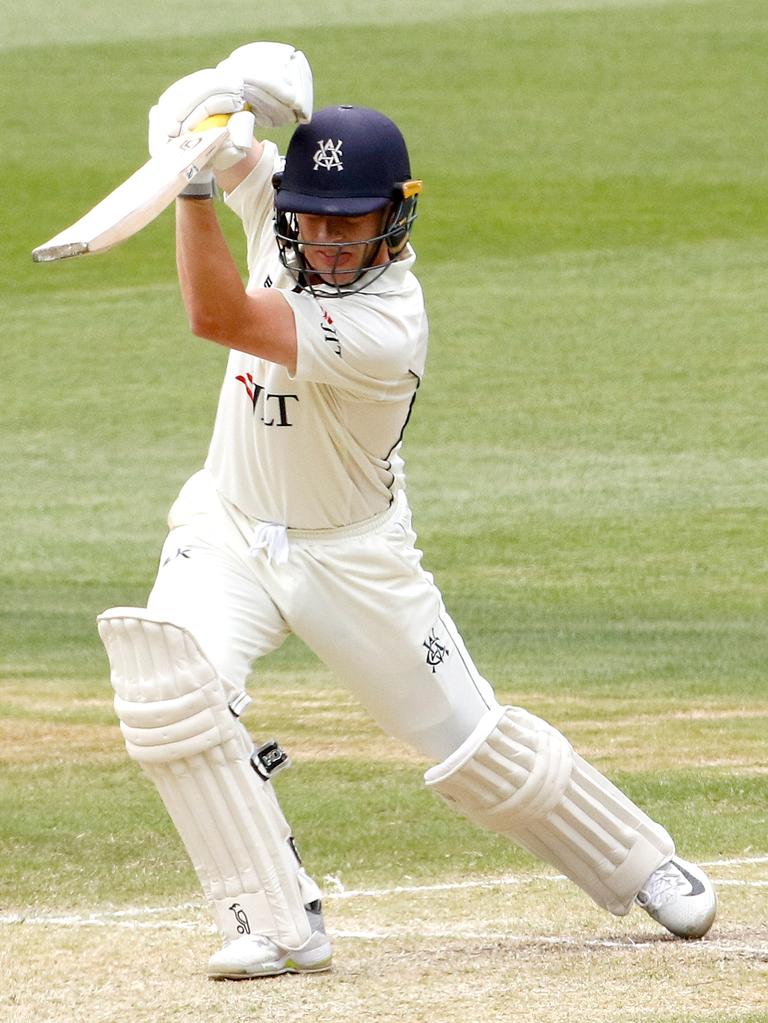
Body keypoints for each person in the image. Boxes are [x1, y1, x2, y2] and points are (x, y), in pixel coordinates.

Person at [97, 42, 717, 981]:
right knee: (168, 693)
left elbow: (217, 315)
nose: (330, 243)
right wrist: (210, 109)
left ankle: (640, 861)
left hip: (353, 555)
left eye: (354, 226)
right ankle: (276, 918)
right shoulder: (281, 206)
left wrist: (188, 189)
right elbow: (198, 129)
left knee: (474, 751)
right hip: (228, 524)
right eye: (313, 220)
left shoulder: (387, 324)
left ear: (395, 219)